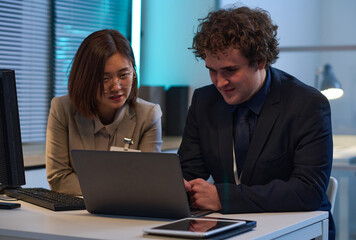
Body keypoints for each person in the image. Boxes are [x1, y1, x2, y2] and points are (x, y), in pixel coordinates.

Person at [178, 6, 335, 239]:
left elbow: (308, 191)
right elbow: (188, 172)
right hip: (228, 228)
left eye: (230, 70)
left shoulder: (307, 104)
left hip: (297, 229)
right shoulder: (204, 101)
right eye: (212, 71)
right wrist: (177, 187)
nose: (219, 83)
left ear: (260, 61)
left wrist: (224, 197)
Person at [46, 29, 162, 196]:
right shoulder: (62, 109)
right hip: (76, 215)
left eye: (124, 75)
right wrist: (116, 190)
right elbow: (58, 178)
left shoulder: (149, 115)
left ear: (134, 72)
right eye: (104, 79)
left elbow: (147, 181)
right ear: (85, 78)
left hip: (126, 216)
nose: (116, 87)